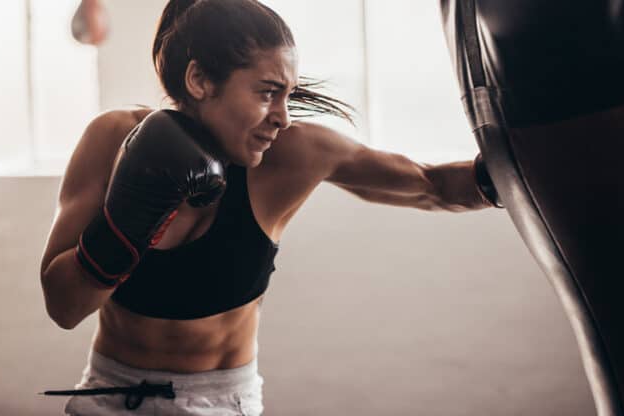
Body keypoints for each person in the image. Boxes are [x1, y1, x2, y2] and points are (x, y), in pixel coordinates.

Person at [39, 0, 499, 414]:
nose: (283, 116)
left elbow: (430, 185)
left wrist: (517, 165)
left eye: (288, 95)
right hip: (112, 396)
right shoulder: (112, 138)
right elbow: (64, 307)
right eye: (266, 92)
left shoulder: (295, 155)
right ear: (200, 79)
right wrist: (128, 221)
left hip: (221, 403)